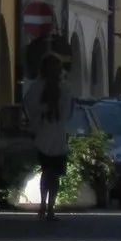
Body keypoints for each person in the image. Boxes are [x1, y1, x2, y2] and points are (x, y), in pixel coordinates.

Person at [30, 54, 71, 223]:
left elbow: (30, 108)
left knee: (46, 172)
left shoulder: (36, 87)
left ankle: (42, 204)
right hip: (58, 137)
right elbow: (67, 114)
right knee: (55, 175)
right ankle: (50, 209)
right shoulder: (65, 88)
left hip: (42, 136)